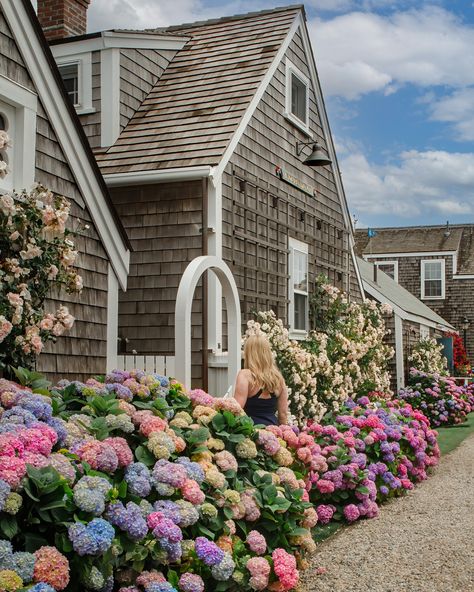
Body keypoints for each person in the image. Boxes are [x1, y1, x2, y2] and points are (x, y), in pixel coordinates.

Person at [233, 334, 289, 426]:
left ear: (248, 353)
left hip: (250, 433)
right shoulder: (278, 378)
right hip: (272, 431)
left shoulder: (245, 375)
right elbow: (283, 415)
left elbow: (236, 409)